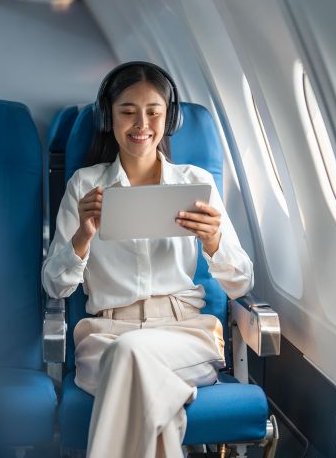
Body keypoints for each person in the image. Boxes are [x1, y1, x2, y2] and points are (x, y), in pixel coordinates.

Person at [42, 62, 254, 458]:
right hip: (105, 336)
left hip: (185, 334)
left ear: (168, 117)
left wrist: (214, 242)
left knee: (132, 357)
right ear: (109, 117)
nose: (142, 123)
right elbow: (56, 286)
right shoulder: (85, 186)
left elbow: (241, 282)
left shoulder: (195, 184)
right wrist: (83, 235)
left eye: (153, 111)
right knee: (139, 370)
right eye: (127, 111)